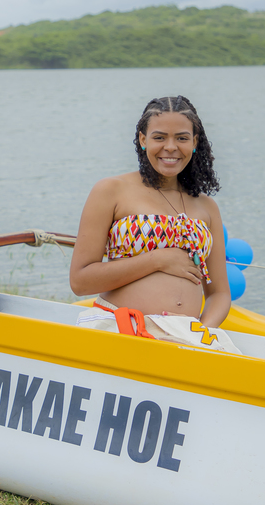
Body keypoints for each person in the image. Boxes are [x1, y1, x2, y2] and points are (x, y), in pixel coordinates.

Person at [69, 96, 236, 350]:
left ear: (194, 142)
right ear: (143, 139)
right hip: (122, 330)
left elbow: (219, 293)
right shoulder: (111, 191)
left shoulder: (207, 206)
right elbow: (80, 281)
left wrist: (201, 333)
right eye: (159, 137)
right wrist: (158, 260)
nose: (170, 147)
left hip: (189, 339)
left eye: (181, 138)